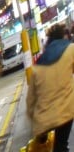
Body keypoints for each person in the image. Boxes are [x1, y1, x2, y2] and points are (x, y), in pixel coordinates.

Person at [27, 23, 74, 151]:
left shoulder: (38, 63)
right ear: (64, 36)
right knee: (61, 146)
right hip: (65, 111)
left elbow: (30, 101)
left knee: (42, 146)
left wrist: (35, 121)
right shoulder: (70, 49)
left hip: (43, 119)